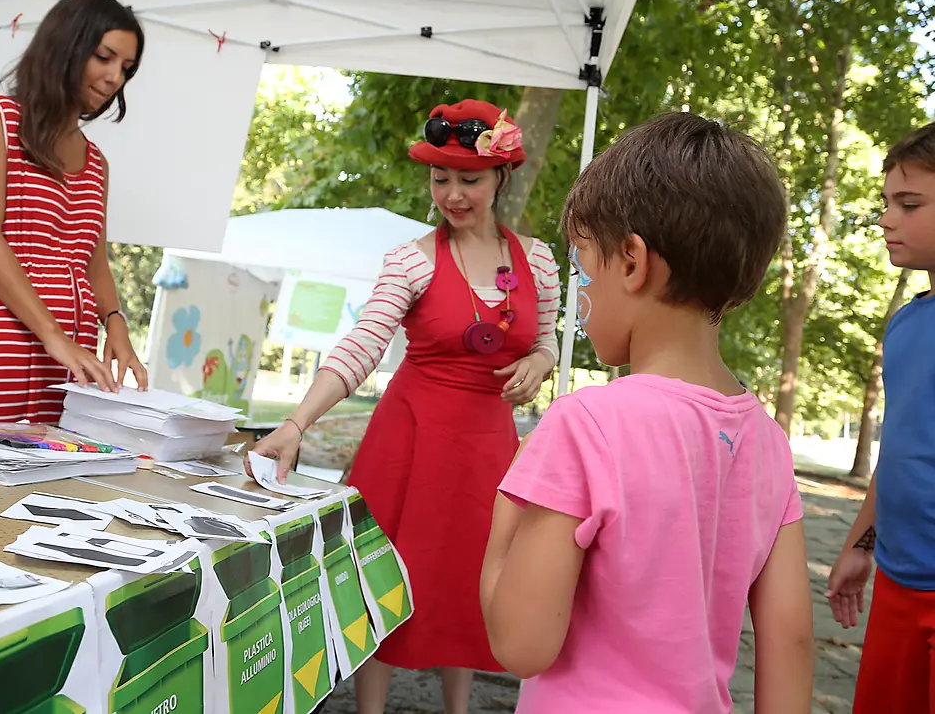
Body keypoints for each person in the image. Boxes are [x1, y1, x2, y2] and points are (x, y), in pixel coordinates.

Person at [481, 113, 815, 713]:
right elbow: (790, 642)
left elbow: (520, 643)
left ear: (632, 262)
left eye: (581, 266)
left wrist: (514, 500)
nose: (577, 297)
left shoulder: (585, 425)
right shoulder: (768, 442)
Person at [247, 99, 561, 714]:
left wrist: (541, 362)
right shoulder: (411, 259)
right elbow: (363, 343)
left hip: (488, 448)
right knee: (390, 576)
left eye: (469, 179)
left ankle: (459, 707)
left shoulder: (540, 261)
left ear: (501, 176)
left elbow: (547, 338)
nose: (453, 194)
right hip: (411, 440)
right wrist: (295, 422)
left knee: (475, 576)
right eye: (440, 178)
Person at [0, 0, 148, 424]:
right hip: (2, 338)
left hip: (68, 358)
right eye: (104, 57)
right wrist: (52, 335)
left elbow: (93, 259)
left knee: (34, 475)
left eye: (125, 68)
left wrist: (116, 323)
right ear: (66, 47)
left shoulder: (95, 161)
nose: (114, 78)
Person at [826, 123, 935, 713]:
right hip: (897, 583)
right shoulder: (905, 324)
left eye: (909, 204)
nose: (886, 219)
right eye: (886, 203)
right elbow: (899, 450)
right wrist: (861, 544)